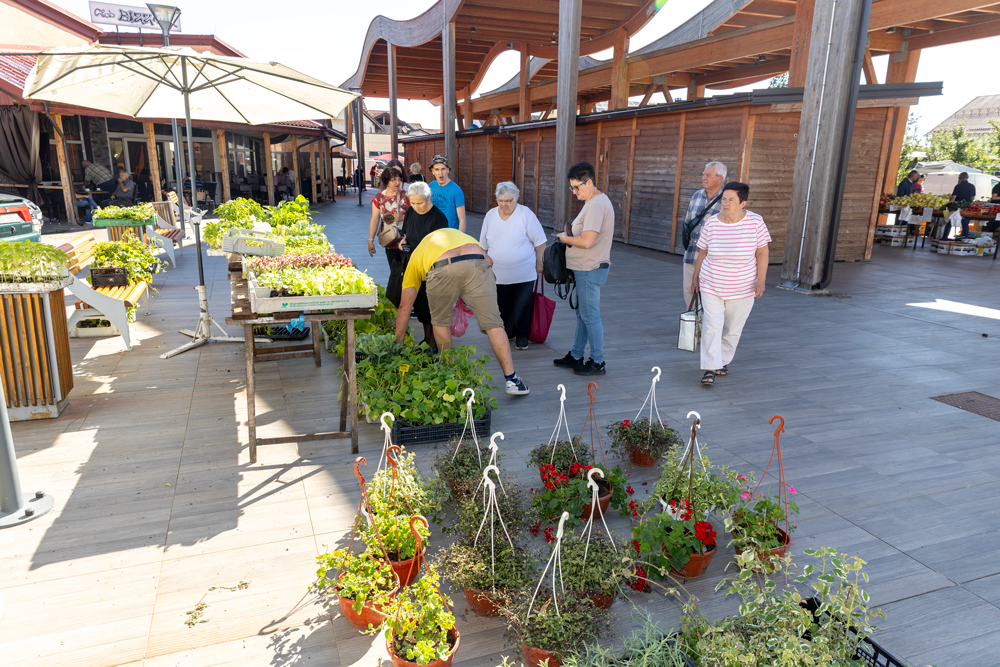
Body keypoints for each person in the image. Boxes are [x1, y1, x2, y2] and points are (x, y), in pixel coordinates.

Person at [394, 227, 529, 396]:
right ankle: (512, 380)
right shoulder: (460, 235)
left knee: (440, 322)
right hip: (476, 261)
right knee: (493, 324)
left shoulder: (416, 256)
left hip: (441, 266)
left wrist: (397, 346)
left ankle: (450, 377)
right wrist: (465, 291)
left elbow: (404, 307)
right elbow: (489, 261)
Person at [692, 181, 770, 386]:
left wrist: (761, 281)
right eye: (724, 199)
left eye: (731, 200)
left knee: (732, 328)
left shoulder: (755, 222)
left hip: (743, 286)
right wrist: (695, 278)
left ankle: (722, 361)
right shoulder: (712, 223)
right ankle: (710, 368)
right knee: (711, 326)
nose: (725, 203)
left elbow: (762, 252)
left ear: (743, 203)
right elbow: (703, 252)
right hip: (711, 283)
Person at [553, 161, 614, 376]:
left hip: (589, 268)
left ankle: (598, 361)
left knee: (590, 316)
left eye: (577, 187)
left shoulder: (596, 205)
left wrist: (564, 238)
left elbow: (587, 241)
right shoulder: (593, 202)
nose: (574, 192)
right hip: (586, 268)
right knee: (583, 314)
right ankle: (577, 354)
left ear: (589, 182)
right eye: (572, 188)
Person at [479, 181, 546, 350]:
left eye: (508, 201)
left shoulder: (526, 214)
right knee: (503, 304)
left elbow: (540, 242)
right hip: (498, 273)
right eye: (500, 200)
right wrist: (482, 264)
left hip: (524, 272)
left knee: (523, 304)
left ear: (516, 198)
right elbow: (483, 245)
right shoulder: (490, 215)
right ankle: (509, 332)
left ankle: (522, 335)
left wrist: (540, 263)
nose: (504, 205)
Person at [399, 181, 448, 350]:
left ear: (428, 199)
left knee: (430, 306)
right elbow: (407, 234)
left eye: (419, 203)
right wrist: (403, 242)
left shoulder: (438, 218)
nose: (416, 206)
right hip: (413, 264)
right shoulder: (410, 211)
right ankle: (427, 339)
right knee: (420, 306)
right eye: (412, 203)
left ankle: (434, 342)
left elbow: (442, 247)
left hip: (431, 267)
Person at [682, 161, 726, 307]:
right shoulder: (696, 196)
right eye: (703, 174)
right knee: (690, 300)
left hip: (713, 264)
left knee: (711, 303)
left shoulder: (727, 200)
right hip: (691, 257)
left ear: (720, 178)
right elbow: (687, 223)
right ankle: (694, 323)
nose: (704, 178)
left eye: (708, 175)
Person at [367, 166, 410, 267]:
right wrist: (370, 240)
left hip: (407, 240)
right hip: (390, 241)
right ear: (386, 182)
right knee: (395, 271)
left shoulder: (407, 195)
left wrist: (403, 217)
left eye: (399, 179)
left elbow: (417, 215)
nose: (397, 182)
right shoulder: (378, 198)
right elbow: (374, 220)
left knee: (407, 271)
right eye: (394, 180)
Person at [428, 155, 466, 232]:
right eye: (437, 169)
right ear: (432, 171)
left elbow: (462, 219)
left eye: (443, 169)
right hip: (434, 233)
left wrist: (461, 237)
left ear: (448, 170)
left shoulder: (456, 190)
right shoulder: (430, 186)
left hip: (450, 234)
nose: (440, 173)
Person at [948, 172, 976, 239]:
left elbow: (953, 197)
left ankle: (945, 236)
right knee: (965, 222)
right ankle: (965, 236)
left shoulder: (958, 186)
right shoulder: (972, 186)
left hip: (957, 206)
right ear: (967, 178)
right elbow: (973, 198)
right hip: (967, 207)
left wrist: (950, 204)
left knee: (951, 220)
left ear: (959, 178)